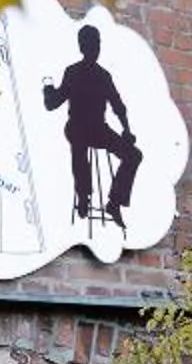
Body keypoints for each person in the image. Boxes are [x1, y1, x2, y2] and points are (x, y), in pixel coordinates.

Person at [42, 24, 142, 225]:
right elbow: (53, 104)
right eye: (93, 45)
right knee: (80, 147)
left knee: (133, 155)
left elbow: (118, 105)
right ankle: (84, 196)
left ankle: (113, 201)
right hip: (82, 127)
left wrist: (127, 131)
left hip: (95, 129)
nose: (95, 49)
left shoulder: (96, 75)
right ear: (84, 47)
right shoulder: (82, 73)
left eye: (97, 44)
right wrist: (126, 131)